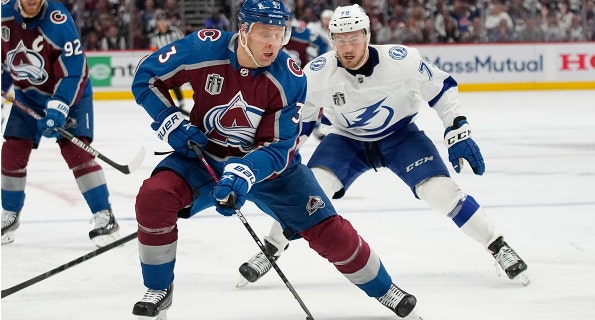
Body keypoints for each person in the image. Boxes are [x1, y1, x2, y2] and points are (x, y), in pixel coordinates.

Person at [129, 0, 423, 319]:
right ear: (244, 31)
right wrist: (168, 118)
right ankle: (159, 288)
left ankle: (385, 289)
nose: (274, 43)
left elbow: (279, 145)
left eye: (279, 34)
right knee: (154, 197)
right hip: (204, 156)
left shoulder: (289, 77)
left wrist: (245, 172)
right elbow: (146, 77)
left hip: (271, 170)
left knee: (329, 230)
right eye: (265, 33)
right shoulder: (203, 48)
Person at [236, 4, 529, 288]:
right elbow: (303, 121)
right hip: (346, 140)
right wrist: (280, 153)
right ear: (332, 39)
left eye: (354, 38)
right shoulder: (316, 73)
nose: (347, 48)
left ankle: (498, 246)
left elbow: (441, 87)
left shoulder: (403, 60)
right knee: (312, 193)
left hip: (401, 137)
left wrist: (458, 129)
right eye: (340, 40)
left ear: (367, 35)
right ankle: (271, 249)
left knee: (440, 192)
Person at [1, 0, 120, 247]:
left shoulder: (59, 21)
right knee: (12, 151)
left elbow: (74, 71)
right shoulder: (3, 16)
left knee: (76, 152)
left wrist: (60, 104)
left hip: (71, 95)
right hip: (28, 95)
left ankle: (104, 215)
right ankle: (9, 215)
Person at [149, 10, 187, 114]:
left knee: (193, 78)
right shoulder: (155, 38)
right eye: (160, 22)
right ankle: (180, 103)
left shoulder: (175, 32)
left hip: (181, 61)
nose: (162, 24)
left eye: (164, 21)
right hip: (167, 65)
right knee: (173, 82)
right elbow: (154, 54)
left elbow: (184, 43)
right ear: (157, 24)